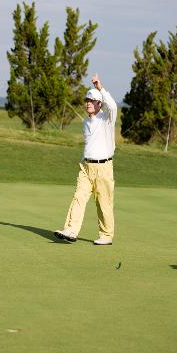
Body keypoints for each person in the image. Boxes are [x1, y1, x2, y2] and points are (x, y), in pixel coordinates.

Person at [54, 74, 117, 245]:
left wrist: (100, 88)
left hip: (104, 168)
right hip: (86, 167)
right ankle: (71, 230)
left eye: (91, 100)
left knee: (104, 203)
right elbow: (89, 145)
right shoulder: (86, 122)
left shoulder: (107, 119)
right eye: (87, 100)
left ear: (99, 103)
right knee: (78, 197)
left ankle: (106, 236)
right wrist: (83, 160)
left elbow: (112, 105)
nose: (88, 103)